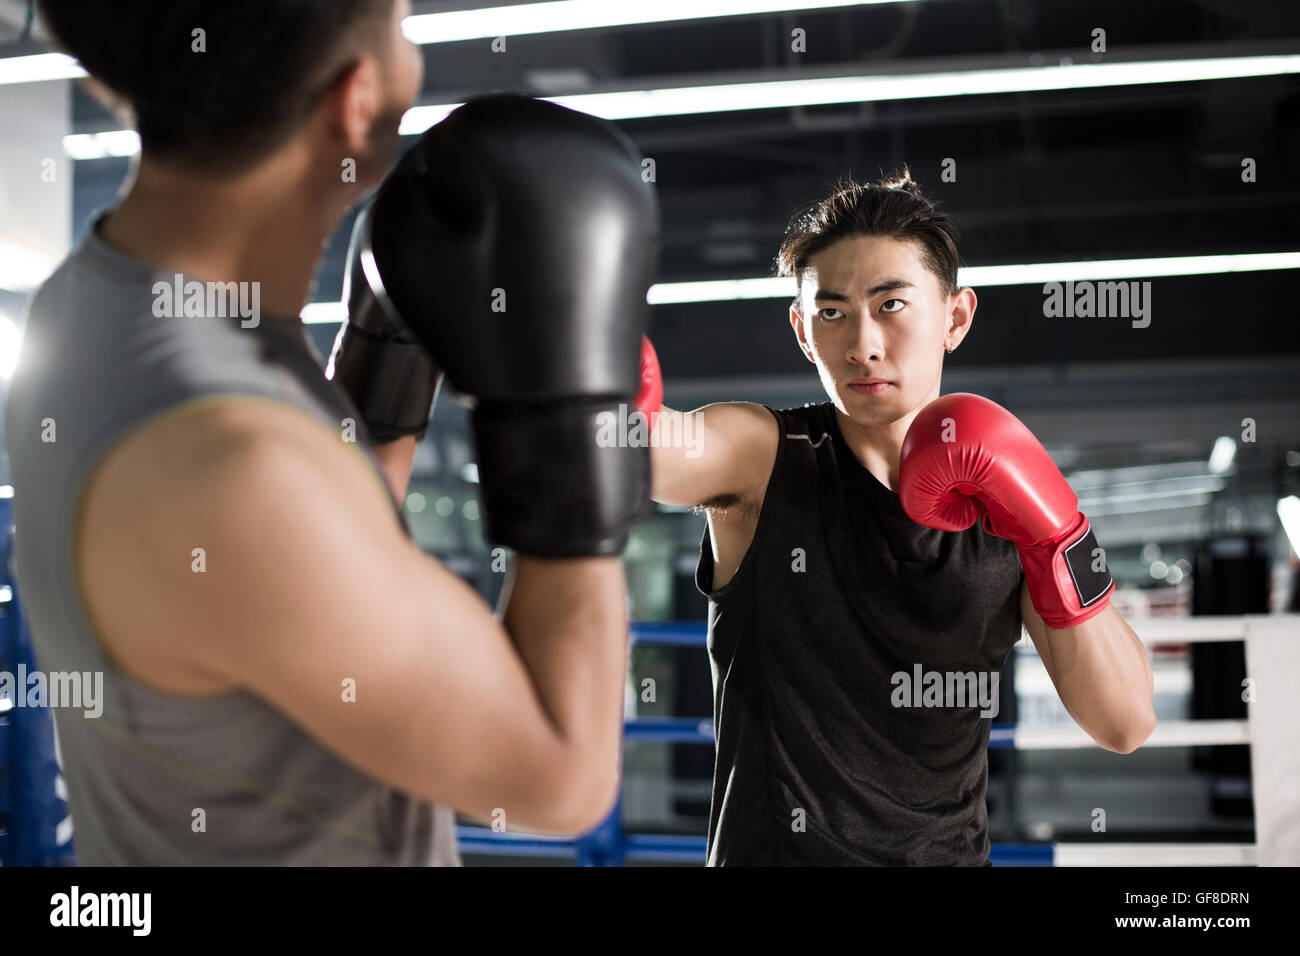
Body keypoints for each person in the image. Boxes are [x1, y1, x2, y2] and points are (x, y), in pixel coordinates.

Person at [6, 0, 655, 864]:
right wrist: (566, 414)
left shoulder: (92, 305)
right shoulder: (234, 465)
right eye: (403, 20)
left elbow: (323, 570)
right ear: (357, 98)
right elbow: (559, 781)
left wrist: (383, 356)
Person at [642, 169, 1157, 865]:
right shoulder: (765, 456)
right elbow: (647, 456)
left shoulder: (1006, 505)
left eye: (891, 305)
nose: (862, 345)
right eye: (832, 313)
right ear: (802, 329)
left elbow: (1124, 722)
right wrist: (590, 375)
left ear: (956, 316)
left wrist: (1054, 534)